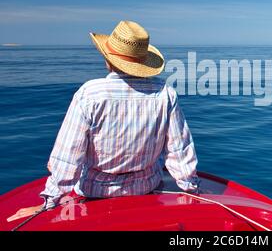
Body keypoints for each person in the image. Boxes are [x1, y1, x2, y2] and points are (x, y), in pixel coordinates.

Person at [10, 21, 198, 220]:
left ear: (108, 60)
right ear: (143, 62)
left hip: (95, 192)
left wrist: (49, 202)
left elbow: (68, 156)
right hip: (146, 187)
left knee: (54, 163)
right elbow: (180, 149)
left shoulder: (90, 93)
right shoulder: (165, 93)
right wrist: (192, 189)